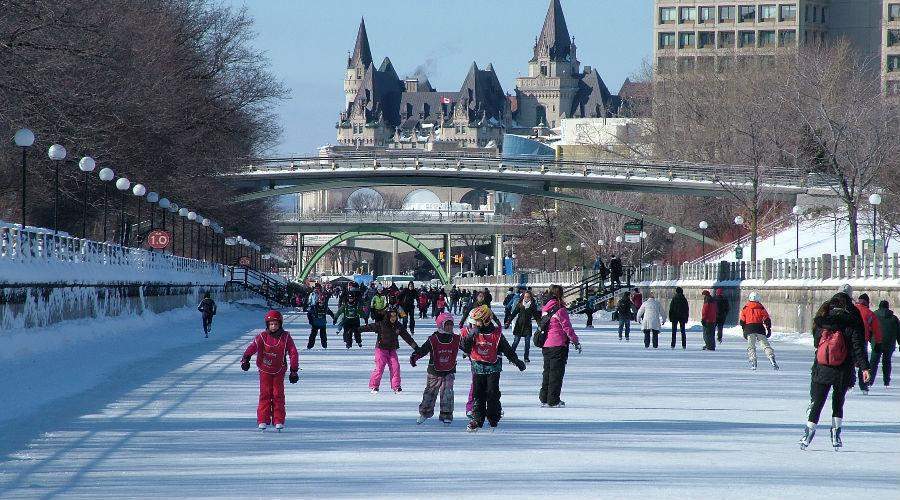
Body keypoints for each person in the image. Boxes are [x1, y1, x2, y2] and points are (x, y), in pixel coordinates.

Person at [798, 295, 870, 450]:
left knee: (818, 402)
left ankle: (808, 434)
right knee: (838, 402)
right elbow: (858, 347)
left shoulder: (823, 322)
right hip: (843, 369)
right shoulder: (851, 323)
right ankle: (836, 434)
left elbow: (817, 342)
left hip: (822, 368)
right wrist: (865, 367)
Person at [460, 305, 526, 432]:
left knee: (492, 393)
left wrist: (517, 361)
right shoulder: (472, 333)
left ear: (485, 321)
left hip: (493, 368)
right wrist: (470, 336)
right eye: (471, 323)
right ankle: (477, 419)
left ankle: (493, 417)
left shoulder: (496, 335)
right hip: (478, 367)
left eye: (475, 323)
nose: (472, 325)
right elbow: (466, 348)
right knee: (478, 394)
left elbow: (507, 349)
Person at [240, 310, 299, 432]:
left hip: (279, 370)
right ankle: (262, 419)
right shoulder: (262, 336)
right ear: (267, 325)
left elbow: (293, 352)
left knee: (278, 395)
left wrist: (294, 370)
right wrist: (246, 358)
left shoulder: (286, 337)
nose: (273, 327)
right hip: (264, 369)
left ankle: (278, 420)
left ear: (280, 324)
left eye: (276, 324)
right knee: (265, 394)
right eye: (271, 324)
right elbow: (252, 347)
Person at [410, 312, 460, 425]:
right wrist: (415, 357)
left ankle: (446, 414)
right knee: (430, 393)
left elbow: (467, 347)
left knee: (447, 393)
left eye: (451, 324)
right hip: (434, 371)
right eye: (447, 324)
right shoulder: (433, 339)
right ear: (441, 325)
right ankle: (424, 413)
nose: (449, 327)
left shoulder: (456, 339)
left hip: (449, 370)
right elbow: (423, 350)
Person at [540, 285, 581, 408]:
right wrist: (575, 341)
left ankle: (544, 397)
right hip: (558, 344)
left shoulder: (545, 308)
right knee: (556, 374)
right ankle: (553, 400)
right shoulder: (560, 310)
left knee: (547, 372)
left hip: (546, 344)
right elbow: (567, 327)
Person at [359, 308, 419, 394]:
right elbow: (369, 327)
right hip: (381, 349)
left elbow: (407, 337)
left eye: (395, 316)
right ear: (388, 316)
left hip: (392, 350)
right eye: (391, 316)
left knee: (395, 367)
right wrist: (358, 329)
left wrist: (416, 347)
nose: (393, 318)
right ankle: (374, 386)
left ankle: (396, 387)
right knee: (380, 368)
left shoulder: (398, 326)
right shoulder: (381, 324)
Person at [739, 292, 778, 370]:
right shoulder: (761, 307)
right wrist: (768, 329)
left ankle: (753, 361)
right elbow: (766, 319)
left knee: (751, 347)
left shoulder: (745, 308)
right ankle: (771, 358)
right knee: (765, 345)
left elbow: (742, 321)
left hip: (749, 329)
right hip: (760, 328)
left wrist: (744, 330)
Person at [854, 293, 881, 394]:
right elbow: (876, 329)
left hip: (849, 338)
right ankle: (864, 386)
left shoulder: (852, 309)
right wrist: (878, 342)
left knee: (848, 360)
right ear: (867, 303)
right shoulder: (870, 313)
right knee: (863, 363)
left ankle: (848, 383)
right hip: (862, 340)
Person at [505, 290, 541, 362]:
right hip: (519, 325)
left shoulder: (532, 305)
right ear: (523, 297)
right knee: (516, 342)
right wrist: (508, 322)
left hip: (527, 326)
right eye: (525, 296)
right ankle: (511, 357)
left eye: (528, 297)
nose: (526, 298)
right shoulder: (520, 304)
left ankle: (526, 357)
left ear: (530, 297)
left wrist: (540, 325)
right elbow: (514, 314)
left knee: (527, 344)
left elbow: (536, 316)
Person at [873, 300, 899, 387]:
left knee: (874, 362)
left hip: (877, 342)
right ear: (888, 307)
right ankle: (886, 381)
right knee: (887, 361)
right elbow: (898, 332)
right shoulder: (894, 318)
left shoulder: (874, 316)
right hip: (889, 343)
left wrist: (871, 340)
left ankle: (869, 381)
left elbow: (869, 329)